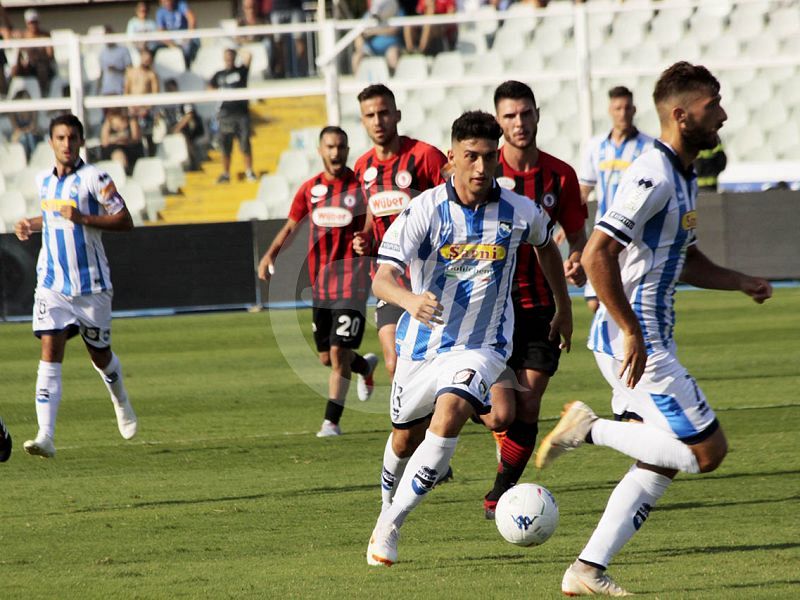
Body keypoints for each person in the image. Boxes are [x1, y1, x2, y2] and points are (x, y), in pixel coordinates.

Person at [535, 62, 773, 596]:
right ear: (681, 115)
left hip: (639, 338)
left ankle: (586, 570)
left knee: (658, 458)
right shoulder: (653, 173)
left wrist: (740, 281)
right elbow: (597, 253)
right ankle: (589, 427)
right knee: (708, 453)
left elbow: (683, 258)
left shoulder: (682, 174)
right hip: (638, 343)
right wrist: (632, 331)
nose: (725, 115)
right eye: (714, 106)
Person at [366, 110, 572, 566]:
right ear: (451, 160)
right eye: (470, 157)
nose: (481, 168)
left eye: (488, 158)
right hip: (421, 346)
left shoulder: (518, 210)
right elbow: (381, 279)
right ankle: (385, 508)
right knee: (403, 438)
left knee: (453, 411)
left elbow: (546, 245)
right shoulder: (424, 210)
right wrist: (409, 299)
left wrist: (564, 305)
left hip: (482, 347)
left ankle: (391, 526)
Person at [479, 80, 587, 519]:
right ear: (498, 122)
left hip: (542, 306)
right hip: (489, 309)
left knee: (528, 402)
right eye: (510, 116)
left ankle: (499, 494)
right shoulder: (482, 172)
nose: (519, 123)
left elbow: (576, 232)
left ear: (538, 115)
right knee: (499, 416)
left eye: (525, 114)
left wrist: (577, 256)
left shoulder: (559, 175)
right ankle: (458, 401)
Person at [13, 114, 138, 459]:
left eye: (72, 138)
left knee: (100, 356)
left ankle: (120, 398)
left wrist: (84, 218)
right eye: (60, 138)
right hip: (52, 283)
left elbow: (125, 220)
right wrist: (30, 223)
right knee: (50, 352)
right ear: (51, 142)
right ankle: (46, 435)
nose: (66, 144)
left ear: (81, 141)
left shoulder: (95, 178)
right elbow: (54, 217)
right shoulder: (43, 181)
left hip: (91, 286)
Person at [257, 126, 380, 437]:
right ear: (320, 151)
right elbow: (290, 226)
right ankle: (364, 367)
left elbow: (372, 222)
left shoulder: (360, 187)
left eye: (340, 146)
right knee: (327, 357)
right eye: (330, 147)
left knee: (338, 354)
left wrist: (365, 238)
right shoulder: (310, 189)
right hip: (321, 286)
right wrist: (270, 254)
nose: (335, 152)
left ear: (348, 149)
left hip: (352, 284)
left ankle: (331, 422)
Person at [352, 84, 448, 381]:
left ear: (397, 115)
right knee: (395, 363)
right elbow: (371, 209)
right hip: (390, 281)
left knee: (439, 361)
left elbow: (453, 202)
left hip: (431, 279)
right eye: (370, 115)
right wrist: (366, 235)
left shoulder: (425, 156)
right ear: (363, 121)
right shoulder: (362, 166)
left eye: (383, 113)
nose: (378, 121)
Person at [579, 86, 654, 313]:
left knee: (627, 298)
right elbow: (585, 188)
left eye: (627, 108)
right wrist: (569, 220)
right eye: (618, 108)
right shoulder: (595, 146)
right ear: (610, 110)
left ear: (634, 110)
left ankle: (628, 341)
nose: (623, 113)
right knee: (595, 301)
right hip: (603, 230)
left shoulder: (648, 147)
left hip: (633, 234)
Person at [209, 46, 256, 183]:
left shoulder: (241, 71)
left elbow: (249, 56)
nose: (228, 60)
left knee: (245, 144)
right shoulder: (219, 74)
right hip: (225, 114)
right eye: (226, 57)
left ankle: (249, 171)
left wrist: (237, 48)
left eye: (231, 57)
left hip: (241, 114)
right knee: (225, 146)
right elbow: (209, 87)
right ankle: (226, 174)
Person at [9, 9, 56, 98]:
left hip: (41, 65)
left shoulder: (45, 35)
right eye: (31, 22)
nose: (33, 25)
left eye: (35, 22)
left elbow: (50, 55)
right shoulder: (22, 36)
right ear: (27, 23)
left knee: (41, 68)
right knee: (15, 69)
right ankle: (12, 97)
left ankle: (43, 94)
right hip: (27, 67)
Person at [161, 78, 205, 170]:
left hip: (186, 127)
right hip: (171, 126)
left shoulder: (183, 98)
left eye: (170, 88)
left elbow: (189, 115)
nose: (169, 90)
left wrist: (177, 127)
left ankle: (193, 161)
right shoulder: (164, 101)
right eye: (167, 88)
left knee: (183, 135)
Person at [351, 0, 403, 76]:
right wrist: (360, 47)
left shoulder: (397, 11)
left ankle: (394, 84)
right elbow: (358, 33)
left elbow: (394, 30)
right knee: (357, 57)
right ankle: (358, 83)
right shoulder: (369, 14)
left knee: (392, 54)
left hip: (390, 47)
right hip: (370, 50)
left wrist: (374, 32)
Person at [124, 47, 160, 156]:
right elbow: (126, 91)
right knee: (133, 136)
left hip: (145, 111)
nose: (146, 60)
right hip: (132, 108)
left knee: (148, 137)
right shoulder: (131, 72)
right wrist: (130, 107)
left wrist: (146, 109)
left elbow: (155, 94)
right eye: (144, 56)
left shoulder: (152, 75)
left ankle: (151, 157)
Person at [269, 0, 308, 78]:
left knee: (299, 40)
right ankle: (280, 73)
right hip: (277, 8)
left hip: (295, 7)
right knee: (278, 43)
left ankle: (302, 71)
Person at [100, 107, 144, 175]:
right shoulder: (108, 121)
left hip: (131, 149)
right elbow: (104, 142)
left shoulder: (131, 120)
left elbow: (136, 138)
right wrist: (116, 138)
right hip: (114, 150)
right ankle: (121, 175)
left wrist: (126, 139)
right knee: (118, 155)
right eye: (116, 126)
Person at [156, 0, 199, 68]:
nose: (167, 3)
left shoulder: (181, 5)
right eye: (164, 2)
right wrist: (171, 44)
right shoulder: (160, 12)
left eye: (168, 1)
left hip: (184, 37)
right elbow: (160, 31)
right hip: (171, 40)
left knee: (188, 48)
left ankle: (188, 69)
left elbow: (191, 19)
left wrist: (188, 37)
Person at [97, 26, 132, 96]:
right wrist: (98, 89)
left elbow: (130, 70)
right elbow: (101, 72)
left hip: (120, 89)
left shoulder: (123, 50)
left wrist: (117, 69)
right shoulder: (102, 53)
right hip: (106, 90)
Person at [10, 90, 44, 161]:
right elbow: (16, 129)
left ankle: (34, 158)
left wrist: (25, 131)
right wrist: (24, 132)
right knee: (23, 137)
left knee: (29, 136)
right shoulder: (13, 112)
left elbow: (33, 126)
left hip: (34, 135)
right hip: (22, 135)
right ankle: (26, 159)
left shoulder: (33, 110)